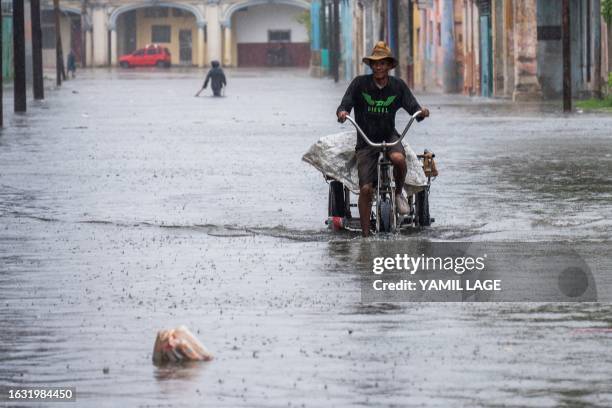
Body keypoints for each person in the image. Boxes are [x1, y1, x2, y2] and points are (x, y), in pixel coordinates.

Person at [336, 41, 430, 237]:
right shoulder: (359, 84)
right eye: (375, 63)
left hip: (389, 135)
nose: (378, 67)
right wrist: (343, 112)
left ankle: (397, 195)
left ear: (389, 66)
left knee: (398, 159)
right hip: (366, 140)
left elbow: (414, 108)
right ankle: (365, 235)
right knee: (366, 188)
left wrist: (421, 113)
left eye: (383, 63)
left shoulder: (398, 86)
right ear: (371, 66)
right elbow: (345, 104)